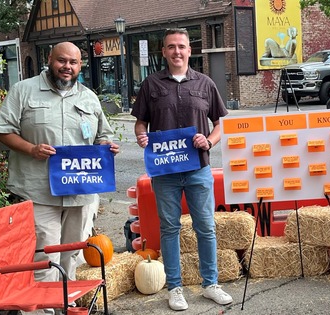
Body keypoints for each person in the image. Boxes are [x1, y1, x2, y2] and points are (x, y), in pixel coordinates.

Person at [0, 42, 119, 314]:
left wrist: (108, 146)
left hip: (81, 191)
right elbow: (1, 131)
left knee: (71, 252)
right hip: (38, 190)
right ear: (50, 59)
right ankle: (43, 309)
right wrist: (31, 149)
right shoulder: (23, 91)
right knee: (44, 254)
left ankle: (65, 303)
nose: (67, 67)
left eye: (73, 63)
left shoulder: (89, 97)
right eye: (62, 61)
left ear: (80, 65)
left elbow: (102, 135)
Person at [131, 28, 232, 311]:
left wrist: (208, 140)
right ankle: (175, 288)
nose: (177, 51)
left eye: (182, 46)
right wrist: (141, 135)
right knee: (170, 228)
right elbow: (141, 122)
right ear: (163, 52)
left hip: (198, 168)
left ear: (190, 51)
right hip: (165, 171)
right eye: (171, 47)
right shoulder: (151, 85)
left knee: (206, 227)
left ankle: (210, 284)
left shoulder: (205, 83)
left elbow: (220, 124)